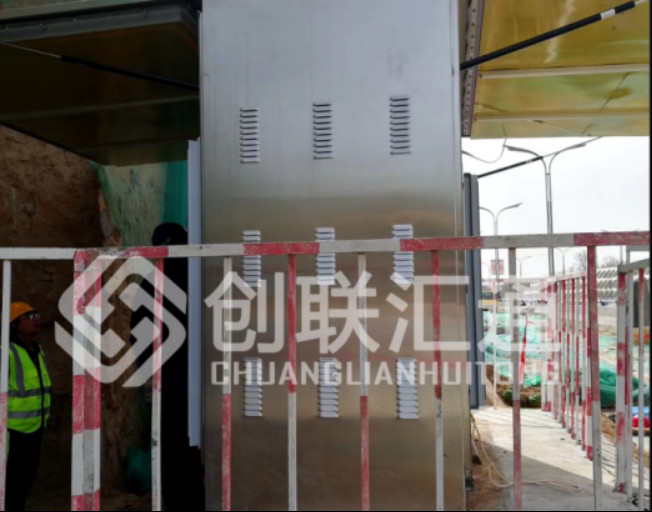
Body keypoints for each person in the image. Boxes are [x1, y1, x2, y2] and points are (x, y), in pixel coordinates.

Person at [130, 223, 205, 509]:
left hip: (170, 387)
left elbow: (139, 338)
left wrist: (151, 376)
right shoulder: (204, 276)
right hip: (207, 386)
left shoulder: (152, 285)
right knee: (203, 453)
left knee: (172, 455)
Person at [4, 302, 51, 511]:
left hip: (35, 427)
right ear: (14, 324)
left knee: (25, 480)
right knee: (12, 483)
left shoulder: (37, 350)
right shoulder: (7, 353)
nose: (36, 320)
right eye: (29, 316)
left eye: (36, 315)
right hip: (13, 431)